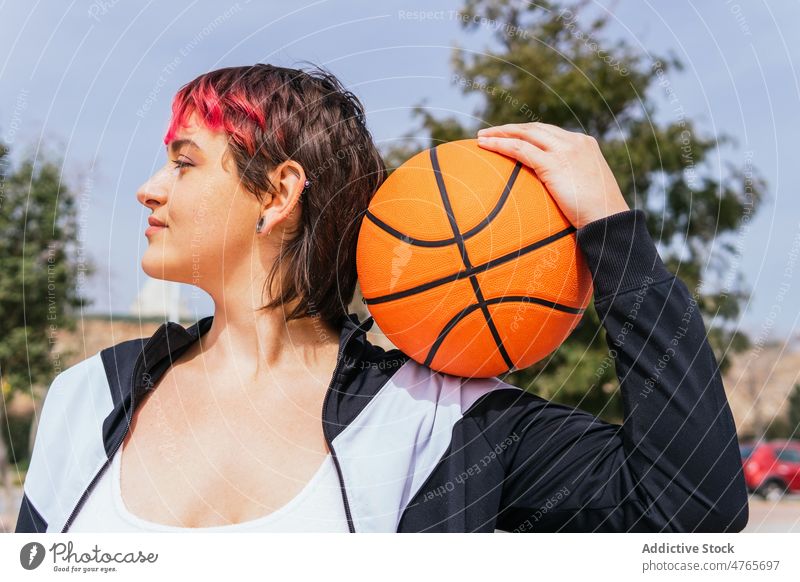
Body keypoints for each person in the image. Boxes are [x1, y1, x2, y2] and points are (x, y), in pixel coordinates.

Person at [15, 63, 748, 533]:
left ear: (278, 193)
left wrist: (615, 240)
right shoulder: (88, 398)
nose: (149, 187)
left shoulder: (443, 423)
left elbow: (692, 509)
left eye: (182, 162)